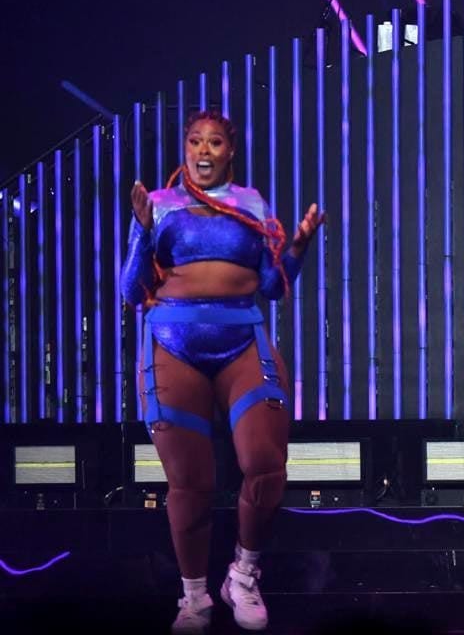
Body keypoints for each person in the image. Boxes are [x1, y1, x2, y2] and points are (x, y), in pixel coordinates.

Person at [120, 110, 325, 633]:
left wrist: (299, 244)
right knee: (191, 483)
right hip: (172, 342)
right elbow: (130, 291)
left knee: (265, 463)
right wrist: (143, 233)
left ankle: (243, 574)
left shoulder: (252, 204)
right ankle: (194, 599)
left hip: (242, 339)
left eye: (214, 142)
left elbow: (274, 286)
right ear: (185, 148)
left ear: (229, 151)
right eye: (194, 141)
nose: (203, 151)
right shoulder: (159, 206)